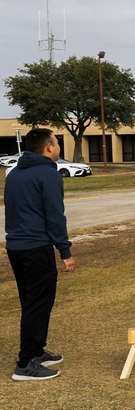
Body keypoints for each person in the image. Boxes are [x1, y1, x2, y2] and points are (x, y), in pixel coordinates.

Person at [4, 128, 75, 381]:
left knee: (31, 302)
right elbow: (54, 216)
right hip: (36, 248)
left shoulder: (14, 173)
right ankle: (25, 364)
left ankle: (36, 350)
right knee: (38, 303)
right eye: (56, 143)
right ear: (48, 147)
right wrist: (64, 251)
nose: (58, 147)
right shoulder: (48, 174)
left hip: (16, 248)